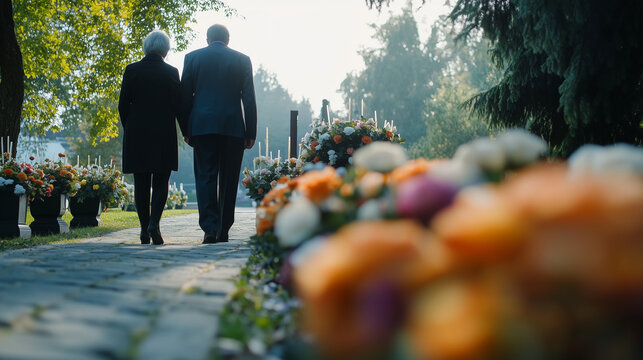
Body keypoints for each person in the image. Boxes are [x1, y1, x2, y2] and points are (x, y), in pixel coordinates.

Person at [180, 24, 257, 244]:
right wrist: (250, 131)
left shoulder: (192, 58)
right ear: (228, 40)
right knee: (229, 178)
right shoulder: (242, 60)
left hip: (202, 126)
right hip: (233, 127)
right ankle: (224, 228)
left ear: (207, 40)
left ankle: (210, 228)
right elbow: (249, 98)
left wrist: (186, 129)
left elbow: (184, 97)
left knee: (205, 176)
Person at [118, 30, 183, 245]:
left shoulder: (132, 70)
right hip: (163, 132)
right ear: (166, 49)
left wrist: (131, 127)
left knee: (141, 181)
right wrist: (186, 131)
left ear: (146, 47)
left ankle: (144, 229)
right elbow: (177, 106)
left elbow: (123, 105)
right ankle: (154, 222)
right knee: (162, 179)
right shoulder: (171, 72)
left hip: (137, 132)